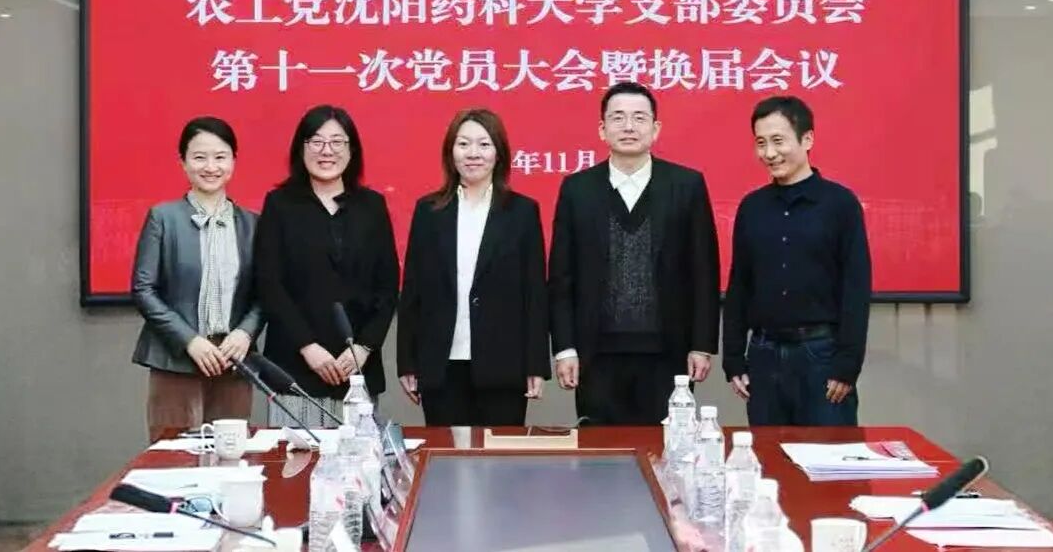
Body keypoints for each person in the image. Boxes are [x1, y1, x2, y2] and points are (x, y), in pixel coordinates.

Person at [548, 82, 721, 425]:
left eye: (639, 118)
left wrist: (701, 344)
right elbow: (562, 276)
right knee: (601, 449)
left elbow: (703, 271)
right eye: (618, 118)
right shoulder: (577, 189)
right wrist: (565, 348)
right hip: (596, 354)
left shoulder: (686, 185)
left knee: (667, 445)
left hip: (668, 354)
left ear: (655, 129)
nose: (629, 127)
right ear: (602, 129)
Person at [723, 95, 871, 426]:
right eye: (761, 143)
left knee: (829, 454)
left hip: (821, 355)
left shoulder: (840, 204)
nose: (769, 153)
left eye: (778, 141)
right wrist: (733, 358)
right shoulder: (752, 207)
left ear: (807, 139)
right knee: (767, 455)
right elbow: (740, 285)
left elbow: (856, 288)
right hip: (763, 354)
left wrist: (847, 364)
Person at [397, 109, 549, 426]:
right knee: (446, 453)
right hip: (441, 362)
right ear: (451, 152)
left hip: (504, 363)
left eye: (484, 144)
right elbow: (412, 289)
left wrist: (536, 363)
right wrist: (407, 361)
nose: (473, 154)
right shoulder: (429, 211)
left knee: (499, 455)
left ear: (498, 153)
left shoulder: (522, 211)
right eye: (463, 144)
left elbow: (534, 291)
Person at [254, 105, 399, 427]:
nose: (327, 151)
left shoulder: (372, 206)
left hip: (356, 369)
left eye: (337, 142)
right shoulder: (280, 205)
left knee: (359, 457)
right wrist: (308, 347)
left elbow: (387, 287)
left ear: (352, 149)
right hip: (295, 368)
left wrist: (364, 347)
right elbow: (269, 284)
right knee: (296, 457)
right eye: (316, 142)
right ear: (301, 148)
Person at [131, 116, 262, 442]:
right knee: (172, 456)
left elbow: (265, 293)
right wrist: (190, 340)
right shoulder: (163, 218)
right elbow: (144, 289)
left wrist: (245, 333)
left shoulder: (253, 224)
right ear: (183, 162)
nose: (211, 167)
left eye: (220, 157)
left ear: (233, 161)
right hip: (176, 358)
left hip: (233, 361)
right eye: (200, 157)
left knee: (231, 455)